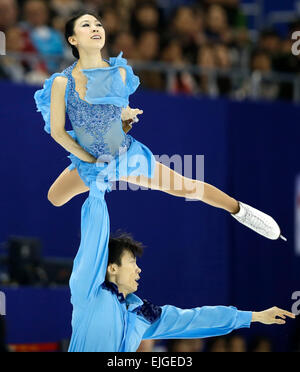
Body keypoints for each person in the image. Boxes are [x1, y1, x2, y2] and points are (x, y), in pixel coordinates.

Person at [34, 12, 286, 241]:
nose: (95, 28)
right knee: (54, 198)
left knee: (186, 186)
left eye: (98, 24)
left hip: (124, 156)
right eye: (86, 25)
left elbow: (111, 119)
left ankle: (241, 210)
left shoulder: (118, 72)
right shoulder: (61, 83)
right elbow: (58, 132)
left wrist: (125, 118)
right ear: (72, 39)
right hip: (89, 160)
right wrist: (88, 158)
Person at [67, 232, 295, 352]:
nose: (139, 268)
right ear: (112, 268)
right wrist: (96, 190)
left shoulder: (142, 314)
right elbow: (92, 243)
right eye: (132, 262)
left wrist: (253, 316)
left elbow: (194, 319)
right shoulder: (90, 294)